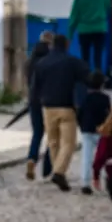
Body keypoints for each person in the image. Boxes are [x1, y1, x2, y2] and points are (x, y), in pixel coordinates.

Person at [31, 34, 89, 192]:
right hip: (66, 106)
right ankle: (59, 171)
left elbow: (35, 87)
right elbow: (87, 75)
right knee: (69, 143)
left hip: (47, 107)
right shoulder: (72, 62)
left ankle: (58, 172)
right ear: (66, 45)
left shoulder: (42, 63)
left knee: (53, 142)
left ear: (51, 46)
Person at [68, 0, 112, 74]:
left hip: (84, 30)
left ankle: (85, 80)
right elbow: (109, 10)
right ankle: (98, 79)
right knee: (98, 57)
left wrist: (69, 35)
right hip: (100, 29)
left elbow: (74, 17)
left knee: (85, 57)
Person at [25, 31, 55, 181]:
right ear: (50, 44)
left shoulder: (30, 61)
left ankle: (31, 158)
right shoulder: (50, 61)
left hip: (32, 101)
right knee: (51, 134)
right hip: (48, 102)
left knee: (37, 133)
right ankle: (47, 168)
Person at [76, 70, 112, 194]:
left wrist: (81, 125)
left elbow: (79, 114)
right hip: (102, 131)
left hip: (87, 130)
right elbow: (108, 115)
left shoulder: (84, 98)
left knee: (87, 157)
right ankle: (108, 180)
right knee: (105, 156)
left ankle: (85, 182)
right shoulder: (105, 98)